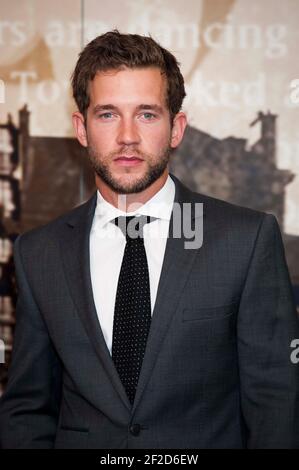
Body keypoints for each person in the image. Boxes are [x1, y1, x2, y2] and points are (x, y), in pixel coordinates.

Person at [0, 30, 298, 449]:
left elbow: (275, 403)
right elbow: (28, 409)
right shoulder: (39, 253)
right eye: (107, 114)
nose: (127, 137)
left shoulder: (244, 240)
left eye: (146, 114)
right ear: (81, 128)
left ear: (176, 128)